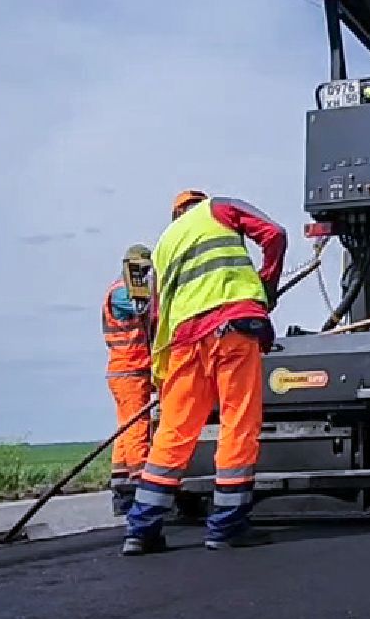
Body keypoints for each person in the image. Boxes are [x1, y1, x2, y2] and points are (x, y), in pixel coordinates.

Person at [124, 189, 287, 555]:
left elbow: (155, 314)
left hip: (182, 344)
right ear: (199, 203)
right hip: (232, 328)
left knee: (173, 433)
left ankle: (141, 530)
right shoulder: (219, 208)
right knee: (238, 424)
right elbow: (275, 234)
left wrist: (159, 372)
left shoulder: (164, 244)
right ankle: (227, 527)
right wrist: (266, 289)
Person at [102, 254, 156, 519]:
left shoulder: (122, 291)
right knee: (138, 427)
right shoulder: (122, 294)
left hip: (127, 370)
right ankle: (141, 485)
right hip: (129, 370)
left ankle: (122, 488)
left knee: (125, 429)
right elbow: (144, 309)